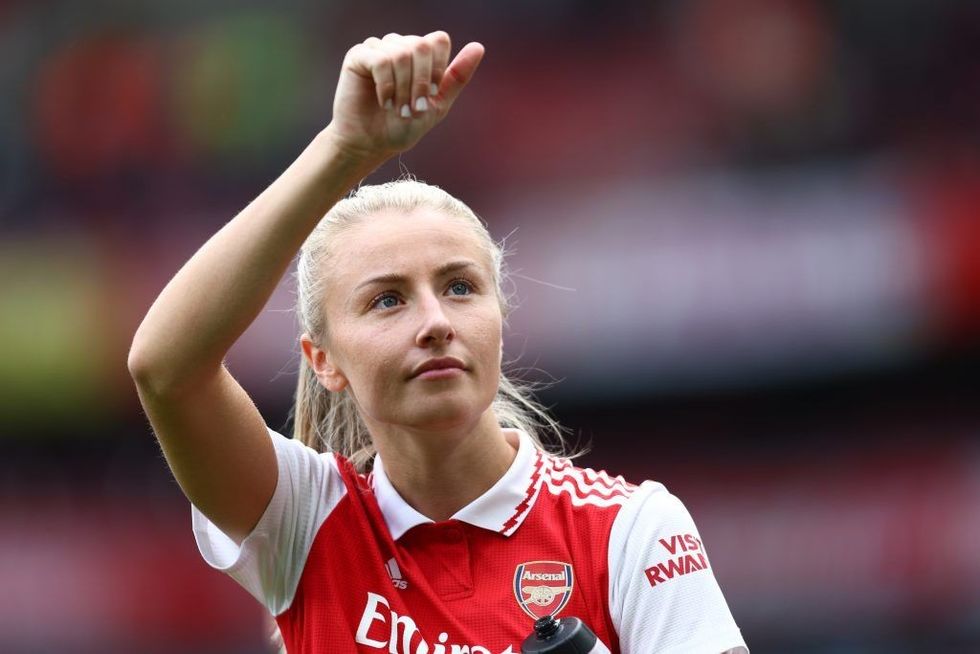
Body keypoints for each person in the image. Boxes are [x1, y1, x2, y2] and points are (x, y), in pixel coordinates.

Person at [127, 31, 748, 654]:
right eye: (387, 299)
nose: (434, 321)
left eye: (458, 287)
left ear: (500, 320)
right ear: (324, 361)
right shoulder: (303, 519)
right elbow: (166, 369)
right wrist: (344, 150)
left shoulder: (630, 530)